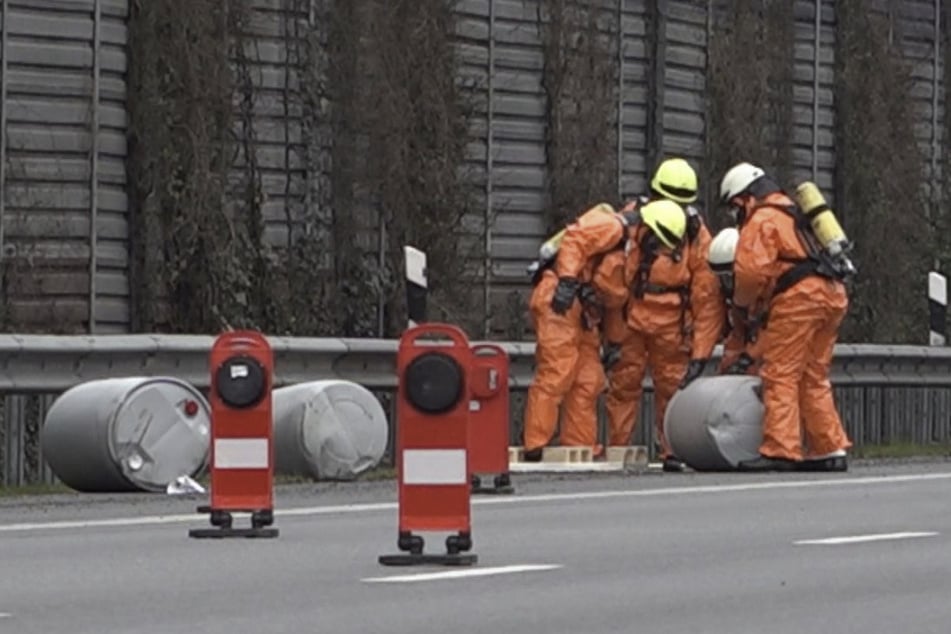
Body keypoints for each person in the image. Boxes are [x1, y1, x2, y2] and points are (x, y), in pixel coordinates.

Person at [718, 162, 852, 472]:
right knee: (813, 376)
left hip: (799, 299)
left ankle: (780, 449)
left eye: (734, 208)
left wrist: (742, 304)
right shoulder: (797, 214)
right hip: (832, 293)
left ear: (743, 199)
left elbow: (751, 274)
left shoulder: (762, 219)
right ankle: (828, 449)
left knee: (781, 373)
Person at [601, 159, 724, 472]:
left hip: (669, 324)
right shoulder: (632, 222)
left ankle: (671, 450)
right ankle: (620, 450)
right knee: (624, 387)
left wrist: (700, 353)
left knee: (670, 389)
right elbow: (613, 279)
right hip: (634, 319)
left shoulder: (694, 233)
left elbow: (707, 296)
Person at [521, 202, 637, 461]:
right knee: (557, 371)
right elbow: (575, 241)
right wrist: (567, 282)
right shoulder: (614, 228)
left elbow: (616, 303)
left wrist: (615, 342)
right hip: (560, 298)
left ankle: (579, 445)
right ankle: (535, 444)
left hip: (584, 310)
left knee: (588, 380)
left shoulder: (637, 254)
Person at [706, 227, 760, 375]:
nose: (727, 283)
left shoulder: (763, 293)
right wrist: (727, 370)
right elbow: (738, 336)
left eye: (730, 277)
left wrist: (748, 358)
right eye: (722, 278)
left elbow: (773, 334)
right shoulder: (736, 302)